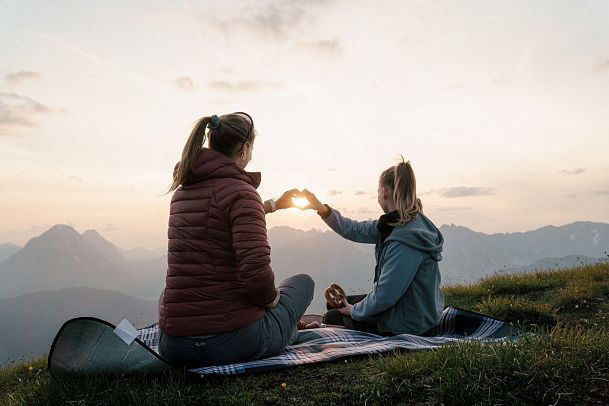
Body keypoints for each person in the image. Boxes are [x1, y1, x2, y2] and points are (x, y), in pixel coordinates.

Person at [158, 112, 314, 368]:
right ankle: (287, 330)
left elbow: (218, 219)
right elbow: (256, 277)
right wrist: (272, 300)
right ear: (245, 148)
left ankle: (285, 327)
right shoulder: (243, 194)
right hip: (231, 343)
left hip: (175, 347)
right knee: (302, 283)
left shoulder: (182, 195)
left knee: (173, 291)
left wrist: (273, 205)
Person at [298, 157, 444, 336]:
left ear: (384, 191)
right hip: (413, 307)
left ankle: (331, 324)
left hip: (409, 322)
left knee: (334, 316)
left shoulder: (405, 241)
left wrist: (355, 311)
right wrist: (322, 209)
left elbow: (385, 296)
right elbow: (353, 229)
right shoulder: (397, 224)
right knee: (336, 304)